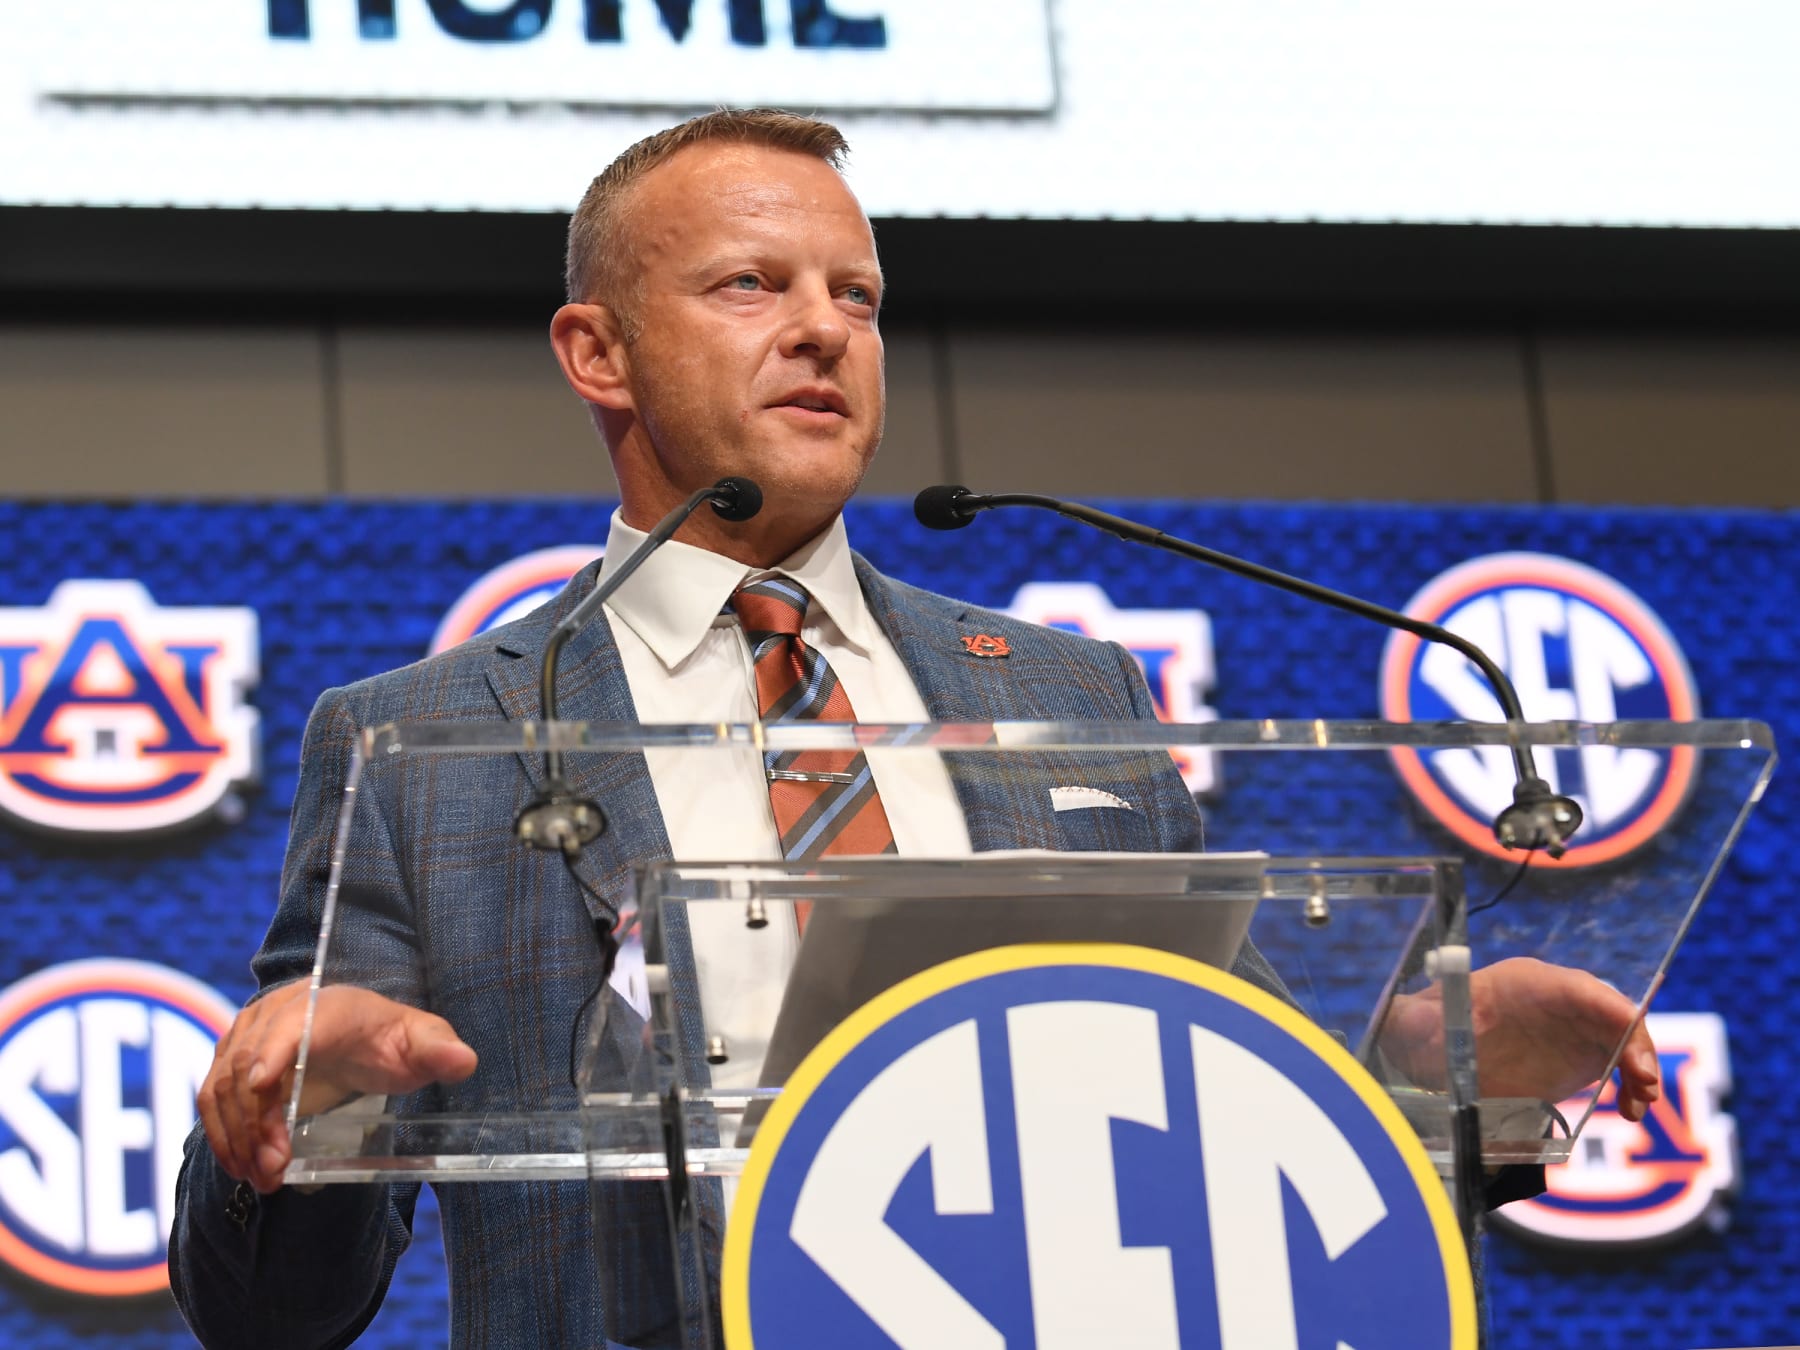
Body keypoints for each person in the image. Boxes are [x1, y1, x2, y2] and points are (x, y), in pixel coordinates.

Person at [170, 109, 1660, 1349]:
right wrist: (280, 1128)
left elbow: (1237, 1102)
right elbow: (272, 1312)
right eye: (752, 285)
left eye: (858, 295)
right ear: (598, 353)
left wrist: (1440, 1068)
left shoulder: (1070, 699)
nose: (825, 326)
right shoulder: (427, 745)